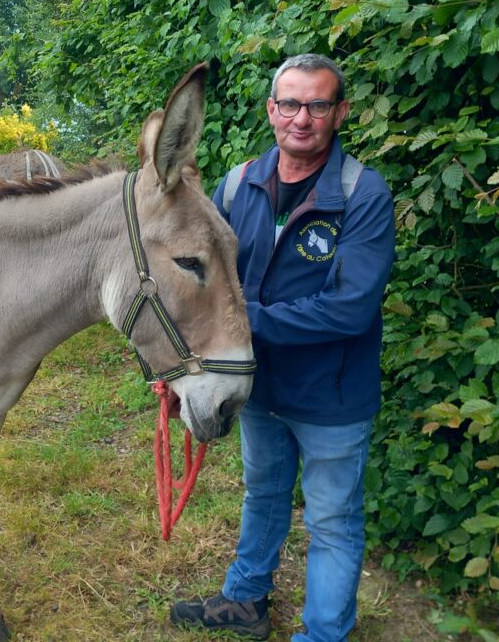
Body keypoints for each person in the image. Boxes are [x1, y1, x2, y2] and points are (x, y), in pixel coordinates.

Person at [170, 54, 396, 642]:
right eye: (290, 103)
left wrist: (241, 325)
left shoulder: (362, 193)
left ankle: (323, 634)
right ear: (271, 110)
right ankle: (245, 602)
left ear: (340, 113)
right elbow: (205, 285)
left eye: (318, 104)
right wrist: (185, 363)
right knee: (264, 495)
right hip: (259, 386)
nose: (303, 118)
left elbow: (350, 307)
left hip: (332, 397)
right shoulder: (237, 182)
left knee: (332, 523)